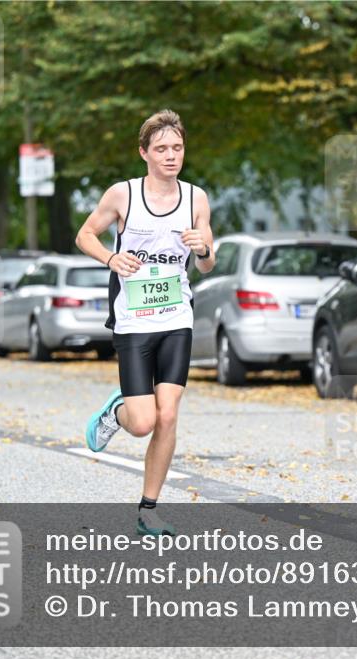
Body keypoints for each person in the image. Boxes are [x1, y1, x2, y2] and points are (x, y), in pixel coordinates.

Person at [75, 109, 215, 535]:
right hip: (133, 321)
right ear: (144, 153)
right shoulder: (123, 195)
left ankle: (148, 510)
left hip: (176, 316)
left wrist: (203, 249)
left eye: (177, 148)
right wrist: (111, 258)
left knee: (167, 415)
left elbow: (207, 264)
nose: (171, 156)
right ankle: (118, 412)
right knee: (143, 423)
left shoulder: (196, 198)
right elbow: (84, 235)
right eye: (162, 149)